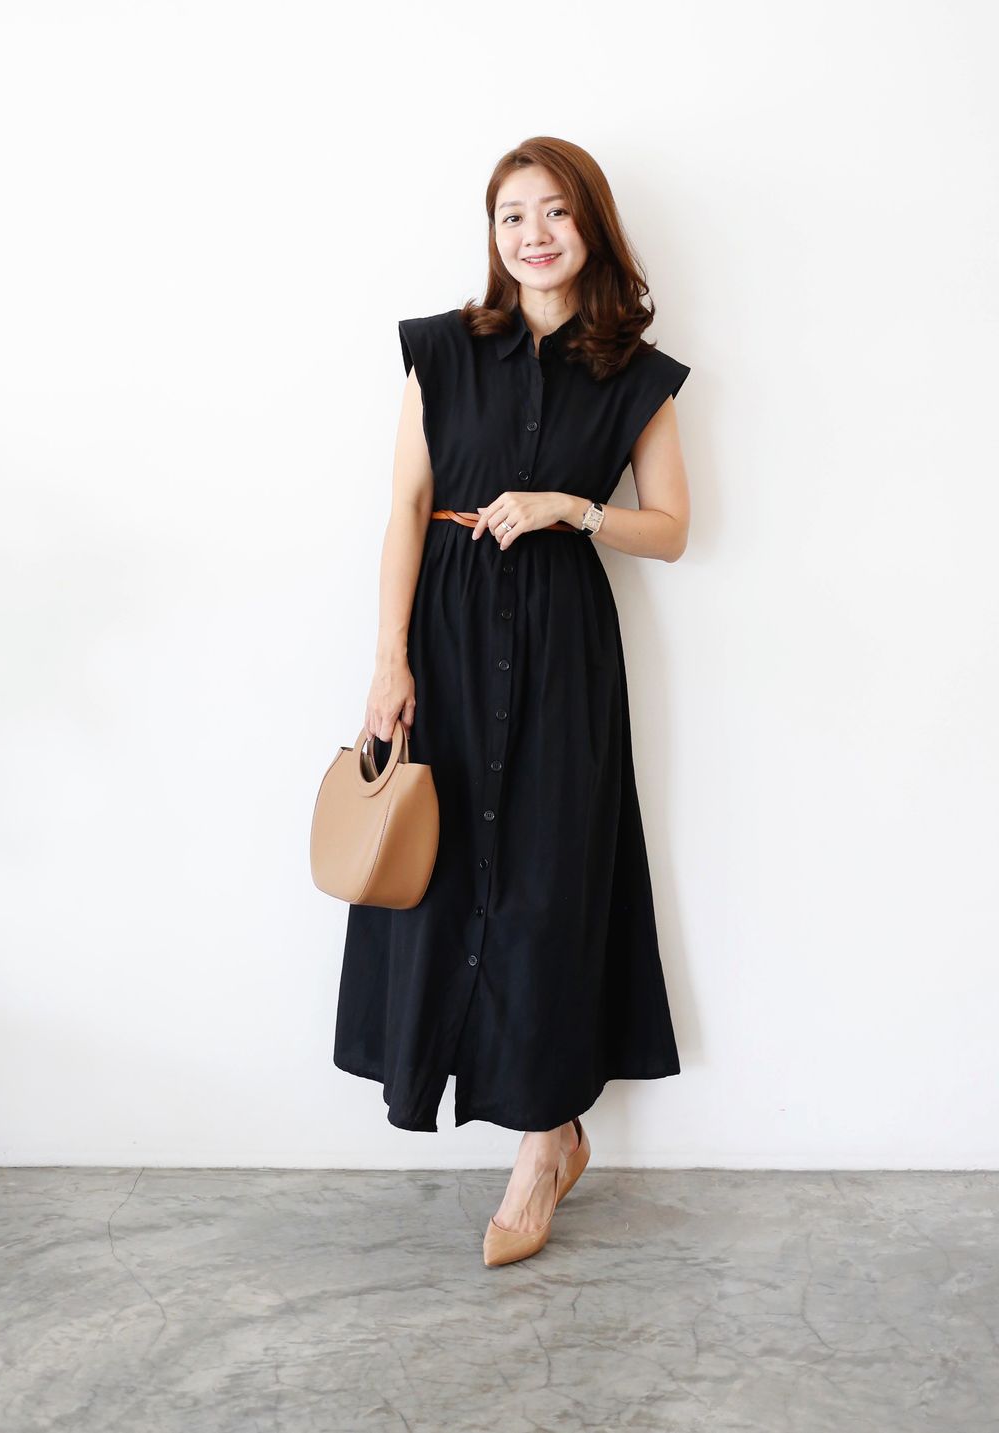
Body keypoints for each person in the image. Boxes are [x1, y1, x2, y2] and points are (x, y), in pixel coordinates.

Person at [333, 135, 691, 1267]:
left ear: (591, 225)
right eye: (511, 216)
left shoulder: (635, 374)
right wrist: (388, 660)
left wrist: (568, 508)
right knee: (442, 872)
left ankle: (544, 1144)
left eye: (555, 212)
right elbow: (406, 506)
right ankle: (549, 1130)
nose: (534, 234)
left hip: (561, 647)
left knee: (549, 885)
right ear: (492, 236)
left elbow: (672, 529)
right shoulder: (443, 351)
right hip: (444, 636)